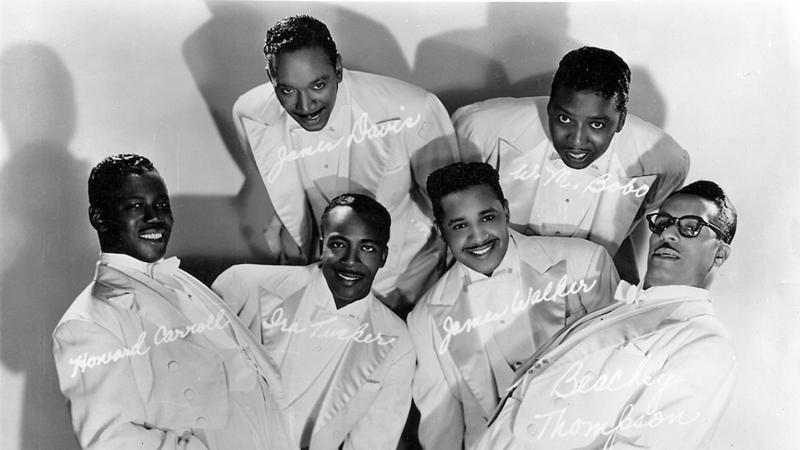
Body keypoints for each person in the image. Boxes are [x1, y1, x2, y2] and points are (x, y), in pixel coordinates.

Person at [52, 154, 293, 449]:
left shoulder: (185, 281)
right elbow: (112, 440)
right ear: (99, 217)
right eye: (136, 206)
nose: (155, 217)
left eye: (161, 205)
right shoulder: (87, 322)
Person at [477, 180, 737, 450]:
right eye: (663, 222)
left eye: (691, 227)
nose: (669, 234)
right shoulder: (619, 307)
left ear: (719, 255)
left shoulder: (705, 343)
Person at [233, 14, 459, 315]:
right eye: (287, 90)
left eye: (318, 85)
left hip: (405, 284)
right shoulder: (250, 113)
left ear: (338, 68)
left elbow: (451, 211)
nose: (305, 105)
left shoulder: (415, 109)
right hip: (314, 277)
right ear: (270, 77)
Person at [407, 162, 620, 449]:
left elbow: (618, 378)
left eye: (487, 218)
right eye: (459, 225)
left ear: (505, 211)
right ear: (441, 230)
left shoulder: (586, 263)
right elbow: (439, 426)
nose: (478, 236)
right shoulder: (425, 318)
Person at [454, 46, 690, 284]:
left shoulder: (662, 157)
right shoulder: (481, 127)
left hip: (592, 285)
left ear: (620, 121)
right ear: (549, 107)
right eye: (564, 119)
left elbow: (645, 207)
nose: (577, 141)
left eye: (596, 124)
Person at [213, 193, 415, 450]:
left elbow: (373, 443)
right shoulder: (242, 285)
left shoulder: (398, 343)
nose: (351, 260)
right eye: (339, 244)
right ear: (322, 245)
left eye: (368, 248)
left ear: (384, 256)